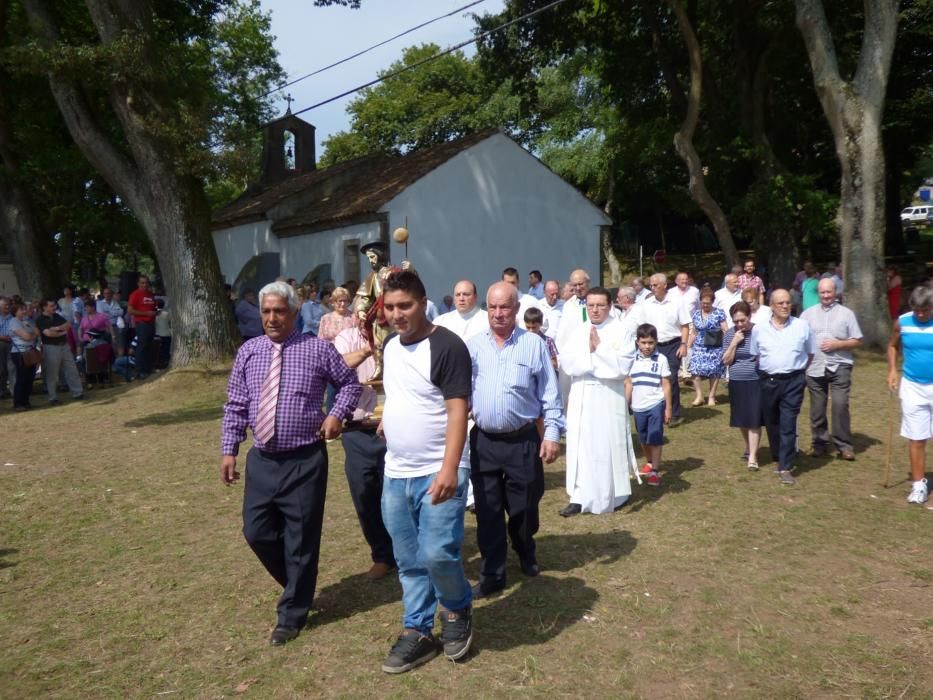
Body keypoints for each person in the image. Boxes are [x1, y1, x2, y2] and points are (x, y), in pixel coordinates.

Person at [220, 281, 362, 647]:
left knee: (301, 540)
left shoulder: (316, 350)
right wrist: (229, 448)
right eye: (266, 311)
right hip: (263, 460)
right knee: (256, 531)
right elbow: (236, 403)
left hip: (304, 460)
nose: (271, 318)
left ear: (295, 313)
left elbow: (348, 384)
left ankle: (292, 614)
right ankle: (300, 584)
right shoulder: (248, 352)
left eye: (279, 311)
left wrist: (336, 415)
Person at [377, 270, 474, 672]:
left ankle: (456, 609)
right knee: (409, 559)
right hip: (396, 474)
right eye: (390, 307)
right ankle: (417, 629)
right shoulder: (390, 347)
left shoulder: (448, 346)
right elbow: (400, 392)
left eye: (406, 306)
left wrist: (449, 468)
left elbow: (457, 411)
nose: (397, 314)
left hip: (439, 469)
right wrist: (389, 420)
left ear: (423, 303)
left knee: (437, 553)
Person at [468, 282, 562, 591]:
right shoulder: (473, 346)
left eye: (504, 307)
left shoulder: (533, 344)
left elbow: (550, 393)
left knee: (524, 508)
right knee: (487, 510)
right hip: (484, 442)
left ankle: (524, 547)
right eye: (492, 307)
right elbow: (462, 393)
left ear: (516, 309)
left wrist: (551, 433)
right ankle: (493, 573)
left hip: (522, 441)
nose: (498, 314)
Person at [560, 286, 637, 516]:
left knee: (605, 443)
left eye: (600, 305)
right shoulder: (578, 330)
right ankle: (579, 495)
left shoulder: (621, 330)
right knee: (581, 443)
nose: (595, 310)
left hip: (607, 395)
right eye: (590, 305)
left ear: (609, 306)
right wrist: (592, 359)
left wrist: (598, 350)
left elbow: (622, 366)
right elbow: (568, 363)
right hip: (582, 392)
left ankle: (610, 494)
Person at [334, 324, 395, 580]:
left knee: (397, 496)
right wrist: (369, 350)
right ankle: (382, 556)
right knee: (364, 494)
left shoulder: (404, 333)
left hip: (395, 427)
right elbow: (336, 366)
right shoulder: (347, 337)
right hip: (357, 429)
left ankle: (408, 553)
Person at [749, 288, 815, 485]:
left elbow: (810, 354)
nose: (786, 306)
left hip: (793, 381)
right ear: (772, 306)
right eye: (781, 303)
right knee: (772, 421)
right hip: (768, 381)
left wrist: (798, 373)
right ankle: (778, 453)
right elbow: (756, 355)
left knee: (788, 422)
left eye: (788, 302)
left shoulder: (802, 326)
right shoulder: (759, 328)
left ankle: (785, 467)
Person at [800, 278, 863, 460]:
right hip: (815, 367)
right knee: (817, 408)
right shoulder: (807, 314)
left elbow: (857, 340)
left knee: (840, 405)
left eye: (829, 292)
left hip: (840, 365)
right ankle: (819, 443)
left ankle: (844, 446)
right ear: (818, 293)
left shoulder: (847, 314)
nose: (826, 295)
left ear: (836, 292)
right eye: (823, 292)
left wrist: (838, 344)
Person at [886, 286, 933, 505]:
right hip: (913, 386)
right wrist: (893, 370)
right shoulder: (903, 322)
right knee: (917, 438)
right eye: (917, 310)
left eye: (925, 310)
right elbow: (893, 346)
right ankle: (918, 485)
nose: (921, 314)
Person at [635, 273, 690, 425]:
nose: (652, 288)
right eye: (651, 286)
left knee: (670, 378)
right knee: (655, 379)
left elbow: (685, 325)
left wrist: (683, 345)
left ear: (665, 285)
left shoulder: (677, 302)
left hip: (673, 344)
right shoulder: (646, 304)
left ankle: (674, 414)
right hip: (654, 345)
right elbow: (642, 327)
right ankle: (657, 410)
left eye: (655, 285)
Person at [625, 323, 672, 486]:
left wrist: (668, 407)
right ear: (637, 342)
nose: (647, 346)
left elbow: (666, 384)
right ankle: (650, 462)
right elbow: (629, 382)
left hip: (655, 403)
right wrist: (626, 403)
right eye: (644, 342)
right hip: (638, 406)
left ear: (656, 342)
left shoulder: (661, 359)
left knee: (655, 436)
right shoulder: (631, 359)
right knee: (643, 438)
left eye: (651, 343)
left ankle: (655, 471)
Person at [723, 301, 763, 470]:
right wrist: (734, 343)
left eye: (742, 320)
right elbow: (726, 360)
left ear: (749, 316)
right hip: (737, 379)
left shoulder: (759, 331)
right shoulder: (730, 334)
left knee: (754, 418)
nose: (739, 324)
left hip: (755, 380)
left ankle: (753, 456)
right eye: (736, 321)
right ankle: (748, 446)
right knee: (741, 419)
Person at [555, 268, 592, 409]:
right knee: (568, 395)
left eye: (580, 284)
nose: (577, 288)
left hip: (590, 356)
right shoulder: (568, 306)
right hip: (571, 357)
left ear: (588, 283)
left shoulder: (596, 302)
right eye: (574, 285)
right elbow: (563, 333)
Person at [36, 299, 84, 404]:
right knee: (52, 374)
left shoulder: (57, 316)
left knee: (72, 370)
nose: (54, 307)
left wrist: (56, 328)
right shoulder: (40, 319)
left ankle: (78, 393)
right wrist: (62, 333)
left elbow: (67, 325)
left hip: (64, 347)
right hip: (51, 348)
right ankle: (53, 397)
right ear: (44, 307)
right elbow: (48, 334)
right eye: (51, 305)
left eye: (54, 305)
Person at [688, 287, 728, 406]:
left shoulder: (719, 313)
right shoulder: (696, 314)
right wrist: (687, 345)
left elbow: (725, 329)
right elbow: (694, 332)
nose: (705, 305)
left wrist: (728, 344)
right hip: (699, 347)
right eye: (703, 303)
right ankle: (699, 396)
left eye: (708, 303)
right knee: (695, 370)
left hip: (715, 347)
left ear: (712, 302)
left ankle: (711, 397)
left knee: (714, 372)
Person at [8, 302, 39, 411]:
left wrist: (32, 334)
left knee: (30, 378)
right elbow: (27, 337)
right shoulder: (13, 322)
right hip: (19, 353)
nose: (24, 311)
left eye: (24, 309)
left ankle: (26, 401)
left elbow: (37, 332)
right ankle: (18, 403)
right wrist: (32, 335)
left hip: (29, 352)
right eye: (21, 309)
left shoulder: (26, 321)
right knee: (21, 378)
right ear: (15, 311)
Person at [128, 275, 157, 379]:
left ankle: (147, 370)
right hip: (142, 324)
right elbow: (130, 311)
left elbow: (153, 308)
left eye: (146, 283)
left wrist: (155, 312)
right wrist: (146, 314)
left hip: (151, 324)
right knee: (142, 347)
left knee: (149, 347)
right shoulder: (135, 294)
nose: (145, 285)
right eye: (142, 282)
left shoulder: (151, 294)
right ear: (138, 283)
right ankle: (138, 371)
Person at [79, 301, 113, 384]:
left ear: (93, 307)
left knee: (101, 359)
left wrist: (113, 337)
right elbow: (80, 329)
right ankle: (91, 379)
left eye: (87, 307)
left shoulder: (101, 316)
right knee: (86, 359)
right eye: (85, 307)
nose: (86, 309)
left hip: (100, 341)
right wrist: (80, 338)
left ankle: (103, 377)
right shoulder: (84, 318)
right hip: (87, 341)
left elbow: (109, 326)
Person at [501, 267, 542, 331]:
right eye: (507, 283)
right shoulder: (498, 303)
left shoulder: (531, 301)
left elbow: (544, 323)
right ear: (502, 283)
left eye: (513, 283)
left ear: (518, 282)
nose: (510, 286)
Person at [0, 297, 13, 399]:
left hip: (13, 344)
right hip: (1, 344)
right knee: (1, 368)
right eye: (5, 306)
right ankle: (2, 390)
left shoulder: (13, 318)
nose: (7, 307)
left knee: (11, 367)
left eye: (8, 305)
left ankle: (13, 391)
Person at [154, 298, 172, 369]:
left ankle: (158, 364)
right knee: (166, 350)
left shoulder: (154, 314)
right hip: (167, 334)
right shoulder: (167, 314)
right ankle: (166, 363)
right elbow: (170, 323)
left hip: (157, 335)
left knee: (158, 351)